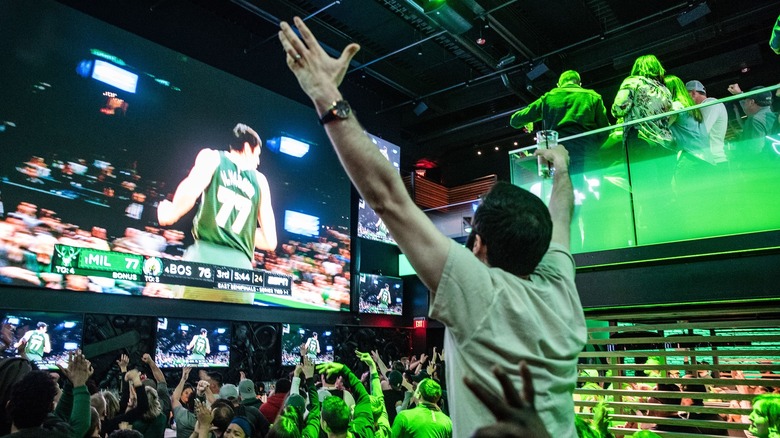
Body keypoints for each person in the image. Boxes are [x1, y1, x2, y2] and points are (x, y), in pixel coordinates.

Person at [278, 17, 586, 437]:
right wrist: (563, 169)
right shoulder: (560, 288)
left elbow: (388, 197)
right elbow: (562, 214)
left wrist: (325, 95)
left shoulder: (482, 296)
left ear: (477, 244)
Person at [157, 123, 277, 305]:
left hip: (204, 259)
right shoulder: (261, 181)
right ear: (246, 148)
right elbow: (270, 241)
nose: (258, 161)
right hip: (241, 271)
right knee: (234, 331)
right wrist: (240, 230)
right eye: (257, 154)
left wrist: (171, 213)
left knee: (186, 323)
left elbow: (190, 191)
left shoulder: (212, 157)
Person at [510, 70, 609, 174]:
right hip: (588, 155)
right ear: (579, 83)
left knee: (562, 188)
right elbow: (605, 130)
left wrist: (529, 122)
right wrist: (593, 146)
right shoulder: (593, 97)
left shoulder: (548, 98)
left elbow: (514, 121)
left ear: (558, 85)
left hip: (558, 157)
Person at [685, 80, 728, 165]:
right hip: (713, 160)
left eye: (686, 95)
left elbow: (700, 132)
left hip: (714, 161)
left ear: (693, 93)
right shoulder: (708, 105)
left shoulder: (710, 103)